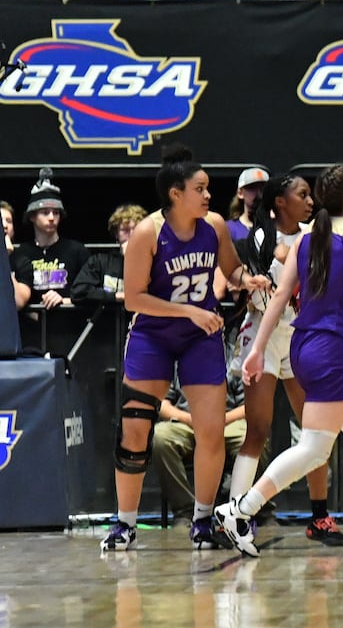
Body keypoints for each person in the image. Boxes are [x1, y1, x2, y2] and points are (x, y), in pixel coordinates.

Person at [215, 164, 343, 557]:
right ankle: (240, 511)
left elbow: (280, 298)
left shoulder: (306, 239)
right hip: (332, 351)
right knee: (316, 449)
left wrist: (255, 349)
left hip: (302, 346)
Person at [101, 145, 269, 553]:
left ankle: (203, 520)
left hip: (199, 338)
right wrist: (189, 311)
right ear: (176, 193)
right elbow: (134, 299)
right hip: (153, 335)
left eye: (208, 188)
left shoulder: (214, 225)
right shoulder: (147, 232)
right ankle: (125, 524)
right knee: (135, 431)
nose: (209, 195)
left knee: (211, 432)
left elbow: (231, 270)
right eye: (201, 188)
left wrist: (248, 281)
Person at [227, 172, 343, 546]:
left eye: (312, 195)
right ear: (280, 201)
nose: (311, 202)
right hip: (264, 334)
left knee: (315, 431)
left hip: (302, 338)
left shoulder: (317, 237)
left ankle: (320, 515)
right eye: (303, 195)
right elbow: (253, 294)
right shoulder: (259, 237)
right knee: (257, 430)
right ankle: (235, 515)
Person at [152, 338, 249, 522]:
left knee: (248, 437)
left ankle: (241, 512)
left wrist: (220, 421)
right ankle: (186, 511)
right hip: (187, 422)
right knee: (160, 437)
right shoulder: (177, 355)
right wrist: (188, 419)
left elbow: (249, 405)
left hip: (226, 422)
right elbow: (161, 402)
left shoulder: (234, 354)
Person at [12, 169, 90, 310]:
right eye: (45, 212)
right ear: (32, 216)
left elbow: (90, 292)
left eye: (56, 212)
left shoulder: (77, 251)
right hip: (32, 328)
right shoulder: (22, 253)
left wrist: (64, 300)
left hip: (70, 327)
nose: (51, 217)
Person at [72, 204, 147, 306]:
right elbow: (79, 292)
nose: (133, 234)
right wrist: (116, 296)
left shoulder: (154, 262)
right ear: (116, 233)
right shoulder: (99, 262)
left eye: (137, 229)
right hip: (110, 320)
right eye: (125, 230)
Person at [227, 168, 270, 243]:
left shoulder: (277, 226)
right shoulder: (229, 228)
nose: (259, 194)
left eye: (263, 188)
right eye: (252, 188)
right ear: (240, 193)